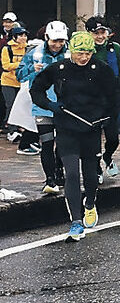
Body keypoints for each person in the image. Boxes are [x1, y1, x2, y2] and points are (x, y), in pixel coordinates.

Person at [30, 31, 120, 241]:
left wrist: (112, 118)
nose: (84, 57)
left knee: (90, 173)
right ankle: (76, 221)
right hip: (67, 126)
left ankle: (90, 202)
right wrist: (51, 105)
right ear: (71, 51)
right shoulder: (59, 68)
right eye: (80, 53)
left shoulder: (101, 69)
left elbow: (114, 95)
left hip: (92, 126)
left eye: (88, 53)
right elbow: (36, 89)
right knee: (71, 173)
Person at [17, 21, 70, 192]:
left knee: (62, 143)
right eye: (54, 40)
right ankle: (50, 179)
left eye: (61, 41)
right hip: (42, 105)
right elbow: (19, 74)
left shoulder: (70, 55)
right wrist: (32, 69)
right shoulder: (35, 54)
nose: (57, 45)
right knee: (47, 142)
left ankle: (59, 169)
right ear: (46, 37)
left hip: (65, 106)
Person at [85, 16, 120, 181]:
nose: (100, 36)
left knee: (113, 137)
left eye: (103, 32)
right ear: (89, 33)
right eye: (96, 33)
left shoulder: (114, 48)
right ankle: (96, 168)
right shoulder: (85, 49)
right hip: (92, 100)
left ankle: (108, 156)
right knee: (94, 137)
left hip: (112, 97)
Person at [1, 26, 27, 141]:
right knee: (10, 104)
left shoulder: (27, 49)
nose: (24, 38)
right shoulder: (7, 49)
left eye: (25, 35)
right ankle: (11, 130)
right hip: (8, 81)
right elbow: (6, 66)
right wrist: (20, 65)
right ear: (14, 37)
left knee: (20, 106)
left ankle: (16, 127)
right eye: (21, 35)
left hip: (21, 82)